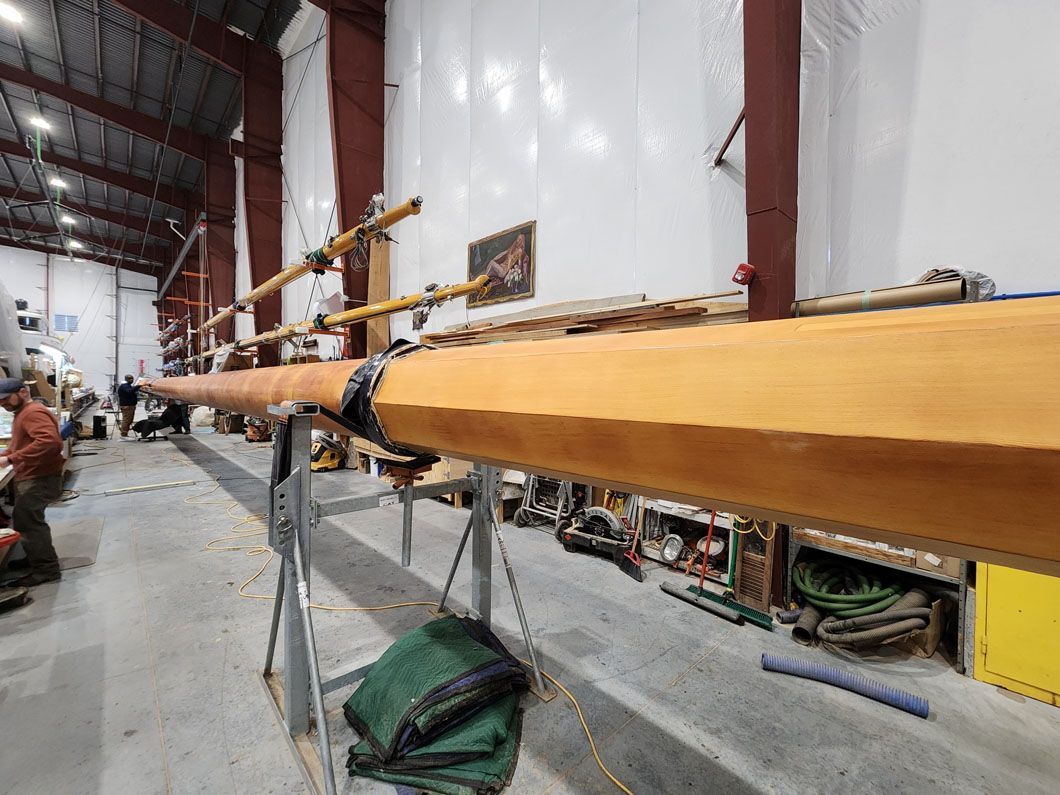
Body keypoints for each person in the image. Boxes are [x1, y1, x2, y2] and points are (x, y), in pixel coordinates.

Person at [0, 377, 64, 587]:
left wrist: (11, 458)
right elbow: (24, 442)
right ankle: (35, 558)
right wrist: (8, 453)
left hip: (39, 477)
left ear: (23, 392)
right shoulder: (22, 413)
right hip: (32, 474)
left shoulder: (32, 412)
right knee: (27, 521)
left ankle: (46, 569)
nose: (3, 404)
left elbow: (49, 443)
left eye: (7, 399)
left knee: (29, 523)